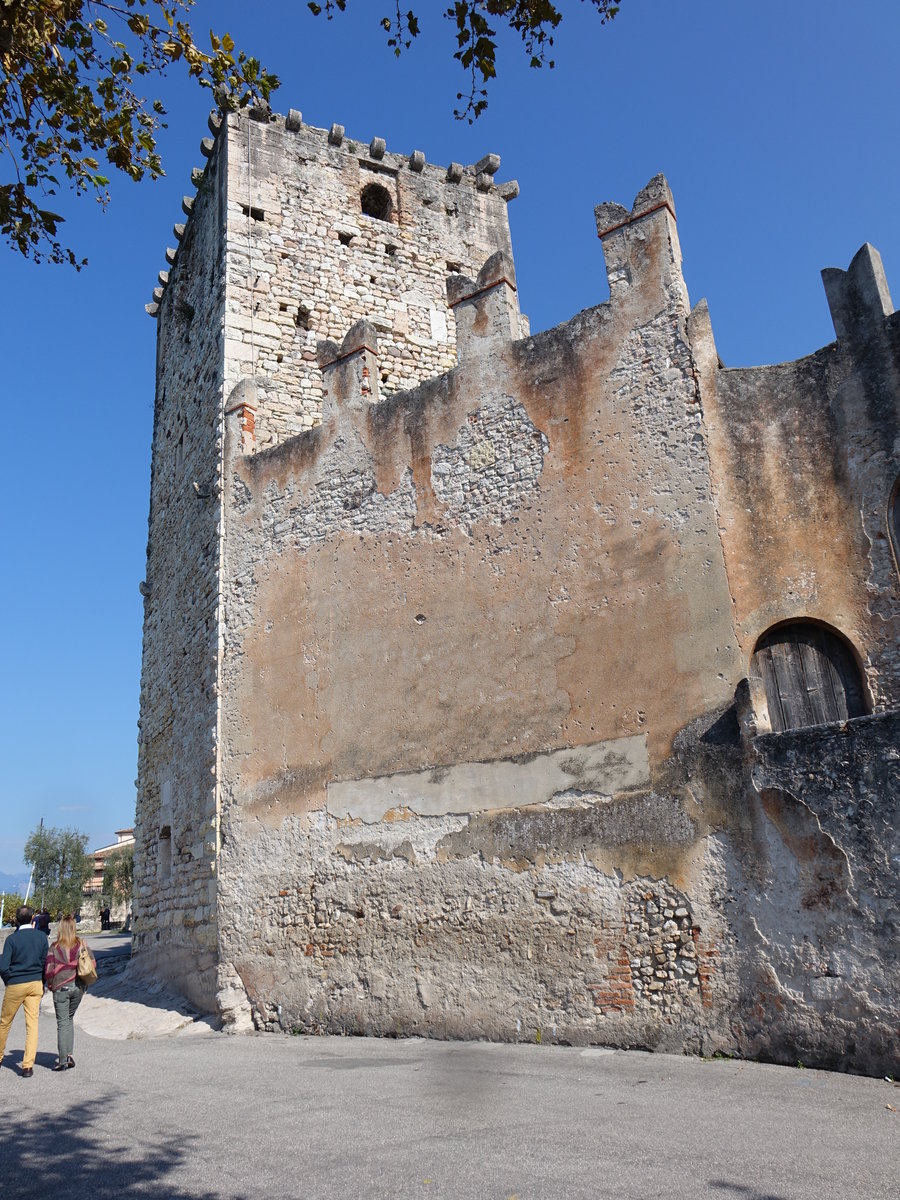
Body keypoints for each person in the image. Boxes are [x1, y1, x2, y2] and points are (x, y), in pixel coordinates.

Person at [0, 905, 49, 1077]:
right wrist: (42, 982)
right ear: (32, 918)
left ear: (16, 920)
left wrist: (9, 981)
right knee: (32, 1024)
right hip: (35, 983)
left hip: (16, 983)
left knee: (5, 1022)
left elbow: (3, 966)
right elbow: (45, 963)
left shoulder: (12, 940)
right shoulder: (42, 937)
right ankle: (27, 1065)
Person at [44, 914, 92, 1071]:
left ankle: (63, 1059)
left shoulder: (54, 947)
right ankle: (69, 1054)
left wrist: (51, 986)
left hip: (61, 989)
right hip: (77, 987)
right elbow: (92, 963)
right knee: (69, 1019)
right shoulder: (81, 944)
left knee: (62, 1022)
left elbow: (49, 971)